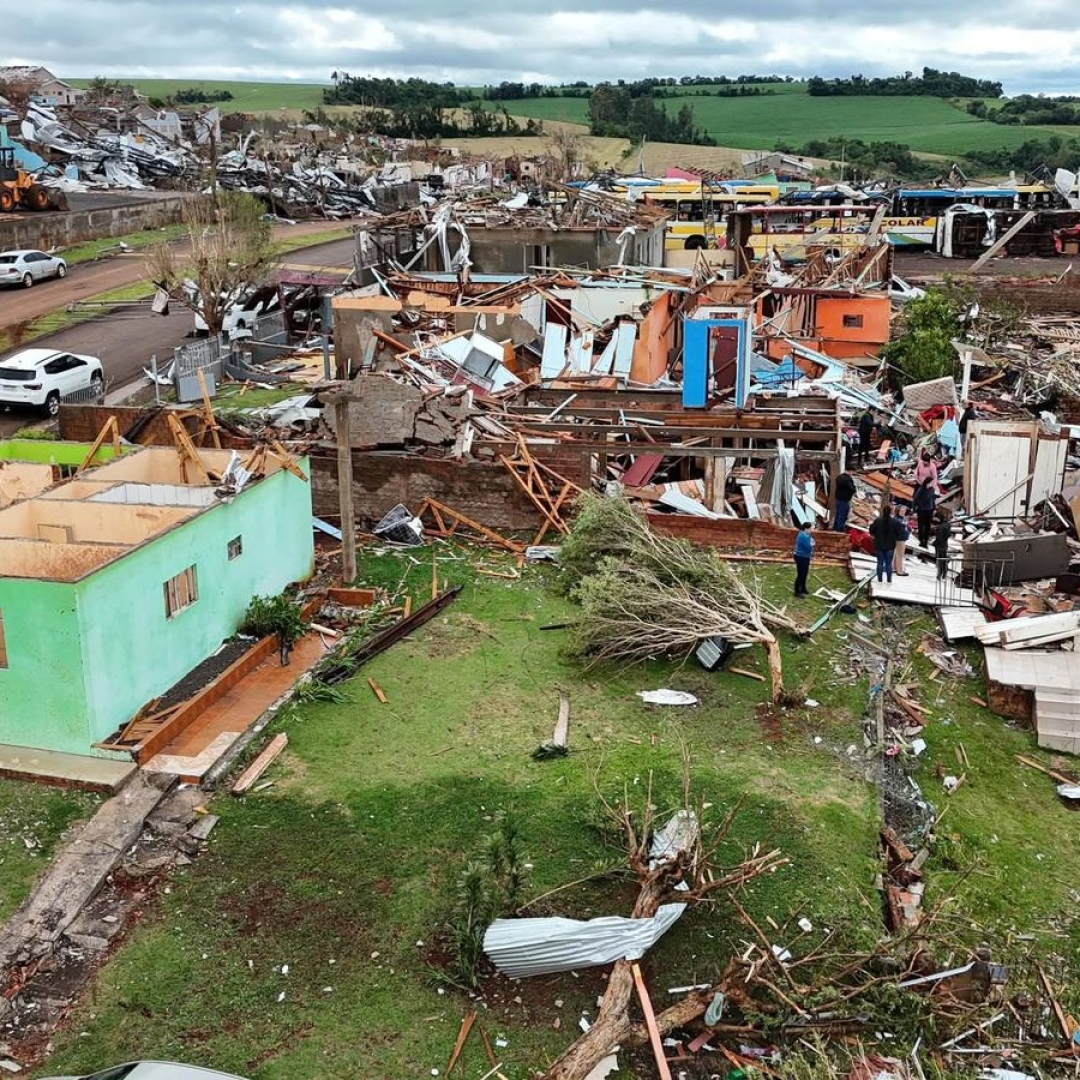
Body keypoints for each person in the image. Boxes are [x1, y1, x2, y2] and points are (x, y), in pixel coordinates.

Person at [869, 504, 898, 584]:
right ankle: (889, 580)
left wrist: (871, 526)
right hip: (890, 546)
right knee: (889, 563)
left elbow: (871, 531)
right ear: (890, 512)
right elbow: (899, 533)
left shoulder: (878, 520)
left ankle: (879, 580)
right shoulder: (894, 521)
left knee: (880, 563)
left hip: (879, 545)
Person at [912, 477, 937, 549]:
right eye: (930, 483)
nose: (931, 484)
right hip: (921, 510)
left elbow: (933, 499)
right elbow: (915, 500)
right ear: (927, 483)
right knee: (921, 526)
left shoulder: (931, 489)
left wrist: (934, 508)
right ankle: (921, 541)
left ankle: (925, 541)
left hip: (929, 510)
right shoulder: (921, 490)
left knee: (927, 527)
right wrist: (914, 511)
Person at [793, 521, 814, 597]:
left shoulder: (806, 535)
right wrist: (811, 544)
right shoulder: (802, 536)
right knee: (801, 574)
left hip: (806, 557)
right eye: (811, 528)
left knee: (805, 573)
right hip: (801, 557)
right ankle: (797, 591)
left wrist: (811, 544)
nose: (811, 530)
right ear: (806, 528)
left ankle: (803, 588)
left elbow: (812, 543)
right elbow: (809, 547)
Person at [892, 505, 911, 577]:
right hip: (899, 539)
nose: (904, 512)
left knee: (897, 554)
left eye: (904, 510)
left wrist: (908, 530)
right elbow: (898, 530)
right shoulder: (896, 519)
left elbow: (907, 527)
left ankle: (894, 568)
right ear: (898, 510)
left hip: (903, 538)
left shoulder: (903, 518)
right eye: (902, 510)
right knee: (900, 555)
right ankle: (899, 571)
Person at [934, 510, 952, 581]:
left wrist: (936, 542)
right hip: (944, 544)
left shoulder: (941, 526)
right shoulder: (947, 524)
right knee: (943, 561)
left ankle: (940, 575)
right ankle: (943, 575)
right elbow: (948, 534)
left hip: (940, 544)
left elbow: (941, 536)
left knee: (940, 560)